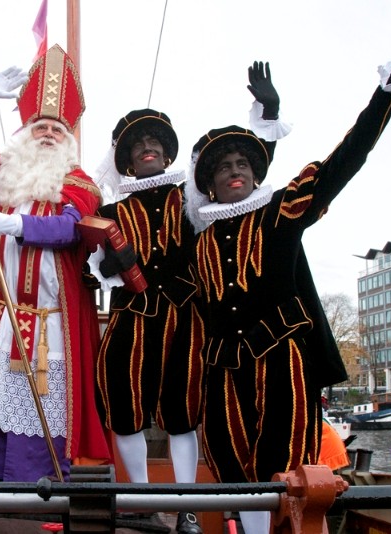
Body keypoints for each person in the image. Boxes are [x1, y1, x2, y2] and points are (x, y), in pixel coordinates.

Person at [187, 29, 391, 534]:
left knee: (284, 470)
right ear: (207, 182)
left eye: (243, 162)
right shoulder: (198, 241)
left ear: (256, 170)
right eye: (223, 167)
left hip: (281, 360)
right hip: (223, 372)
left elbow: (342, 162)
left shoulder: (281, 211)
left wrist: (387, 94)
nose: (234, 171)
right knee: (232, 470)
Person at [89, 64, 289, 534]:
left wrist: (268, 114)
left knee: (185, 413)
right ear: (127, 159)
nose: (147, 147)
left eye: (154, 140)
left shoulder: (191, 197)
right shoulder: (109, 211)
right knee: (125, 405)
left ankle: (187, 507)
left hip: (186, 318)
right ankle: (140, 500)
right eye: (138, 145)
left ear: (166, 148)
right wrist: (109, 266)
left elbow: (243, 182)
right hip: (131, 318)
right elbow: (90, 269)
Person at [0, 44, 111, 481]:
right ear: (24, 132)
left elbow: (71, 227)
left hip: (50, 322)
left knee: (48, 409)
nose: (48, 133)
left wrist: (16, 227)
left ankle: (51, 489)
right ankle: (0, 489)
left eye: (56, 128)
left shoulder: (78, 182)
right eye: (39, 126)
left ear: (68, 138)